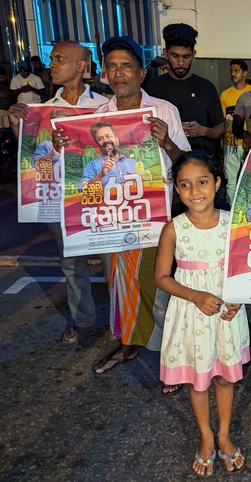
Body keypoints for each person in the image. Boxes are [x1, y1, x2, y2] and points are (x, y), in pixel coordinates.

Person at [52, 36, 191, 395]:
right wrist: (67, 150)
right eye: (111, 66)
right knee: (120, 284)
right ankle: (129, 342)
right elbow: (81, 174)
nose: (119, 73)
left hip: (154, 215)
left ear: (142, 73)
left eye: (127, 65)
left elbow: (188, 165)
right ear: (104, 72)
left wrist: (168, 144)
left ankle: (171, 358)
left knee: (160, 286)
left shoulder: (164, 111)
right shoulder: (96, 118)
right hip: (112, 217)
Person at [9, 41, 109, 344]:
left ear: (81, 66)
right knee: (71, 262)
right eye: (52, 59)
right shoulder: (41, 110)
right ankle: (83, 320)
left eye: (60, 59)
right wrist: (19, 127)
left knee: (111, 261)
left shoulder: (104, 106)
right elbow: (33, 153)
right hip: (60, 199)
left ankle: (123, 324)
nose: (52, 64)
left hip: (99, 197)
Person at [155, 151, 248, 474]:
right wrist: (194, 295)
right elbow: (162, 277)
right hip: (190, 313)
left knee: (223, 376)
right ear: (178, 191)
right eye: (185, 185)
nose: (195, 191)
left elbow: (245, 268)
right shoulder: (173, 229)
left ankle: (224, 434)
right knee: (199, 380)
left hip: (226, 313)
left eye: (203, 182)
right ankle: (206, 436)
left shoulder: (233, 223)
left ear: (218, 183)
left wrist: (239, 297)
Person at [144, 23, 224, 157]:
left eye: (186, 57)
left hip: (200, 164)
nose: (180, 63)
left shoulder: (206, 87)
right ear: (165, 53)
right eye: (175, 56)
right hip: (164, 164)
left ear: (194, 55)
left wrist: (203, 131)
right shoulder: (152, 87)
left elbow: (220, 129)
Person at [219, 60, 251, 202]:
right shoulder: (225, 95)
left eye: (237, 71)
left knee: (249, 179)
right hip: (230, 143)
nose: (233, 74)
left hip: (249, 144)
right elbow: (223, 122)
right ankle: (232, 210)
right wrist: (221, 144)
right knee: (231, 180)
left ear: (245, 73)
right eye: (231, 71)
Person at [78, 121, 137, 190]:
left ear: (116, 140)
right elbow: (81, 189)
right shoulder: (93, 165)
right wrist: (101, 175)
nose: (105, 141)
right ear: (98, 144)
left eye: (108, 136)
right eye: (100, 139)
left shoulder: (133, 163)